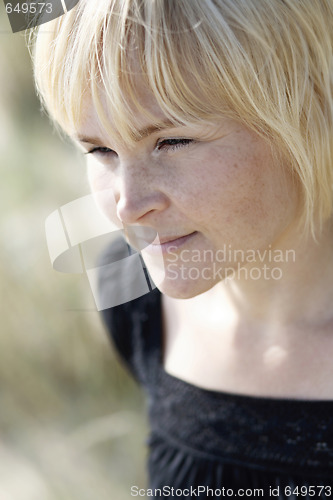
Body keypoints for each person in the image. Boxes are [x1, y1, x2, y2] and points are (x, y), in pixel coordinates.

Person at [32, 0, 333, 497]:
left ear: (312, 110)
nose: (129, 206)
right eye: (99, 150)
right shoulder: (131, 294)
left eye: (171, 141)